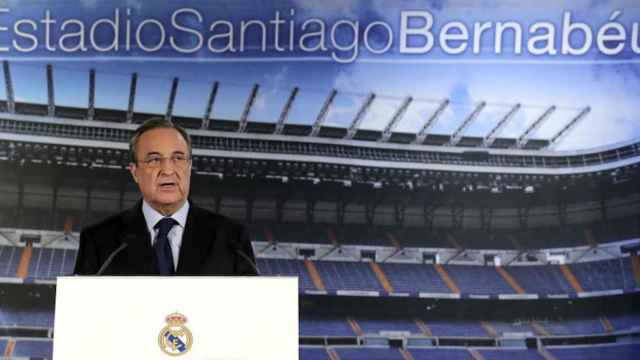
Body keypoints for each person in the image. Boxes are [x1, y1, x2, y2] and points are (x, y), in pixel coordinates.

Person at [73, 118, 257, 275]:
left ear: (189, 167)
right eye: (154, 160)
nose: (168, 170)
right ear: (135, 172)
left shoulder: (232, 238)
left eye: (178, 158)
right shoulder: (98, 240)